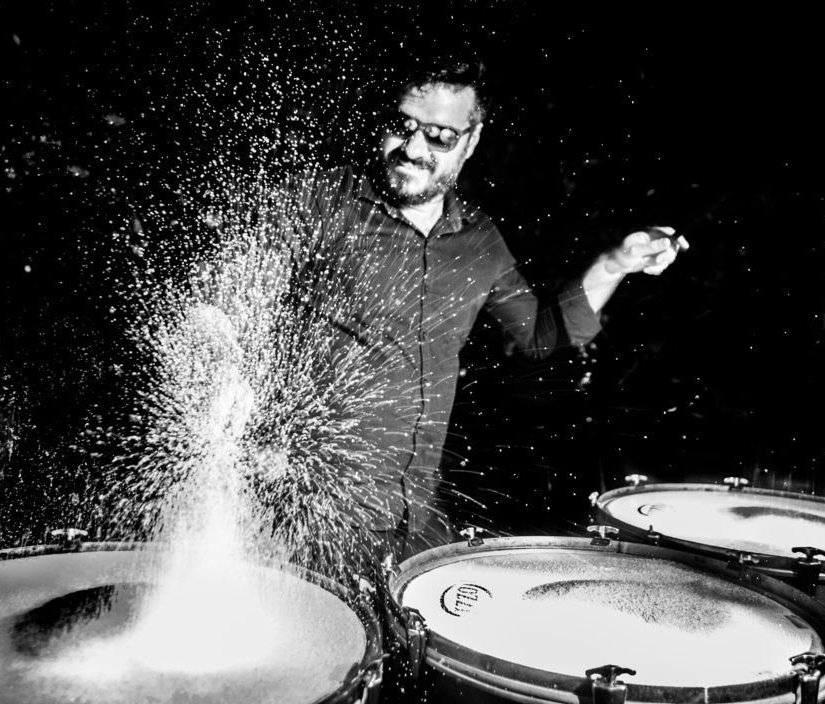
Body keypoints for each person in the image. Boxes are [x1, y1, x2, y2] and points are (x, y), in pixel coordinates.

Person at [288, 57, 685, 565]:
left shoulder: (479, 240)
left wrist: (613, 264)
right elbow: (229, 303)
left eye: (439, 137)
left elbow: (539, 338)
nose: (413, 150)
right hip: (310, 513)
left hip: (413, 513)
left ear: (471, 141)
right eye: (402, 127)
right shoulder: (320, 202)